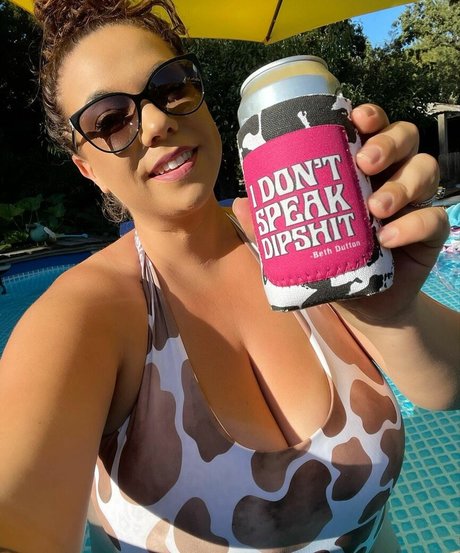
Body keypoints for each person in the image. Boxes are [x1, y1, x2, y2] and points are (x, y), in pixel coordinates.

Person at [0, 1, 458, 552]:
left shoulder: (298, 230)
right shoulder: (90, 312)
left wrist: (393, 313)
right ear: (87, 168)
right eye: (110, 121)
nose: (156, 122)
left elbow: (446, 388)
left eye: (170, 86)